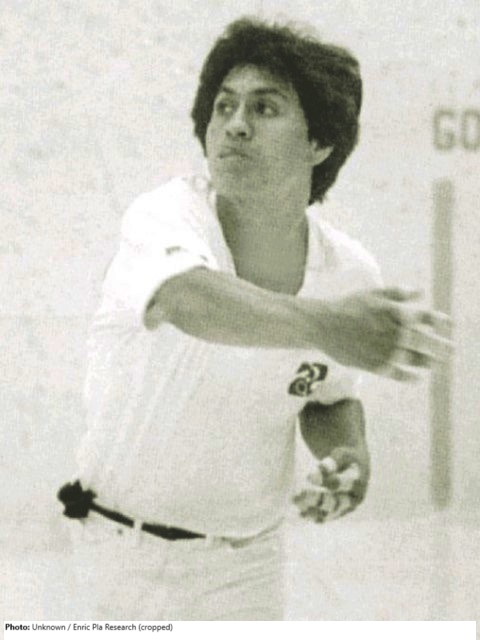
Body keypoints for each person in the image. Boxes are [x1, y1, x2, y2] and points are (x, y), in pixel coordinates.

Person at [58, 17, 449, 621]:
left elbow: (328, 395)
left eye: (264, 108)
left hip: (248, 569)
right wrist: (329, 325)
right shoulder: (165, 215)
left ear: (319, 143)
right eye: (224, 106)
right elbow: (189, 300)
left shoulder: (349, 272)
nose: (235, 124)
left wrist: (349, 454)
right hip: (117, 560)